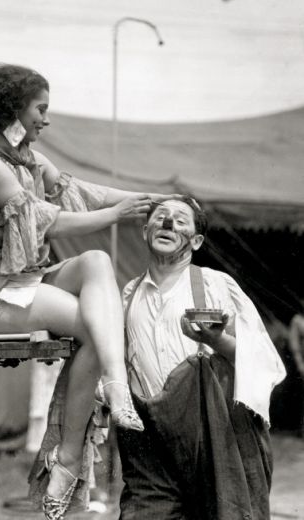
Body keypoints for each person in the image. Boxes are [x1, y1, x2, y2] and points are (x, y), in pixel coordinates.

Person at [0, 63, 178, 519]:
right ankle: (69, 457)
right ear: (14, 109)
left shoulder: (30, 161)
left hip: (27, 280)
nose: (46, 119)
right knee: (102, 327)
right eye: (41, 108)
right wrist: (119, 216)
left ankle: (110, 393)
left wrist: (149, 201)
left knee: (96, 263)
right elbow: (50, 220)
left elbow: (84, 192)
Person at [117, 196, 287, 520]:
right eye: (161, 216)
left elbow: (264, 361)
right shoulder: (129, 293)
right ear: (145, 230)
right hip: (150, 444)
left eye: (180, 220)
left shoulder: (216, 284)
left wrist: (216, 339)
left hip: (213, 437)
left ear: (196, 241)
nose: (168, 223)